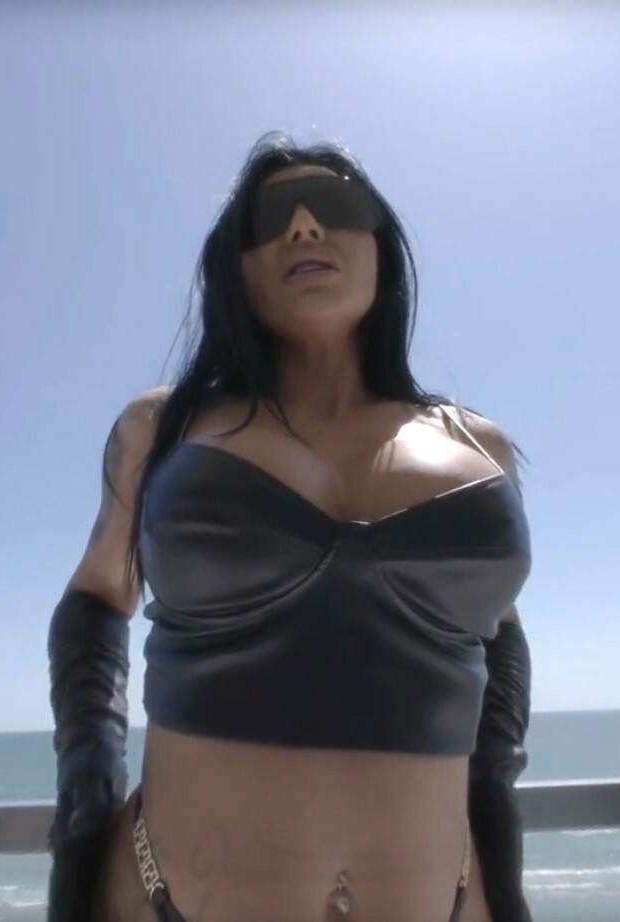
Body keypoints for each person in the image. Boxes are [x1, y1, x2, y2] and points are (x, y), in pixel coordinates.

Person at [46, 132, 534, 922]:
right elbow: (99, 597)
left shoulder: (481, 448)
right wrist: (85, 799)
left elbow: (498, 631)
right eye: (268, 219)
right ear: (234, 269)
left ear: (381, 247)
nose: (304, 226)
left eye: (335, 204)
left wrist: (496, 824)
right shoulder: (160, 430)